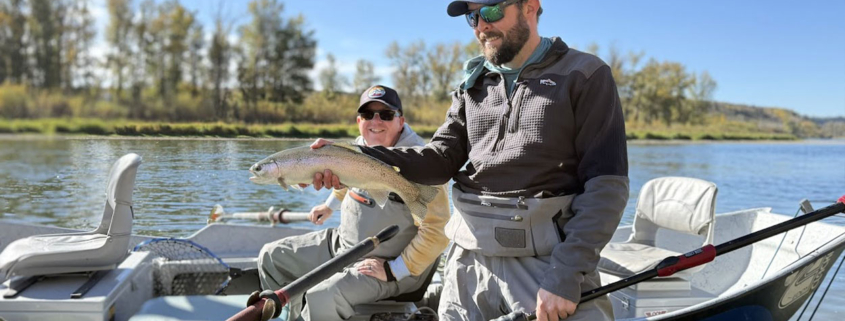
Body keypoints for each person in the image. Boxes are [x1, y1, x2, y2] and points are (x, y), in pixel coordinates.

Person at [307, 1, 629, 320]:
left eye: (490, 11)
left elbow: (606, 190)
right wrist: (354, 157)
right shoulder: (471, 86)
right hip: (466, 265)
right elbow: (438, 160)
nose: (480, 26)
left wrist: (566, 273)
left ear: (530, 6)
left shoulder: (586, 75)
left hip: (546, 267)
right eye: (472, 17)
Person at [257, 85, 451, 321]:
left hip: (388, 264)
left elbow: (438, 231)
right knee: (270, 256)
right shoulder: (357, 146)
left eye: (386, 115)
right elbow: (348, 179)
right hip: (344, 247)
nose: (375, 121)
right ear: (359, 121)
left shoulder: (423, 162)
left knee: (322, 295)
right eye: (368, 115)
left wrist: (394, 269)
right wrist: (329, 205)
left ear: (401, 121)